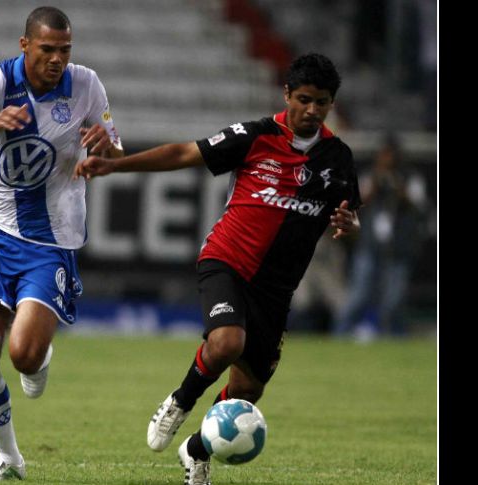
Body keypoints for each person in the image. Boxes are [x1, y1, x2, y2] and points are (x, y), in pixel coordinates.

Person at [75, 53, 360, 485]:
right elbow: (184, 152)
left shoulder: (339, 159)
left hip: (277, 290)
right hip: (227, 259)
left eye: (322, 102)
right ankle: (181, 399)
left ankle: (196, 449)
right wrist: (117, 164)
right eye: (304, 99)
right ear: (286, 94)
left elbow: (350, 221)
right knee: (226, 342)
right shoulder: (256, 136)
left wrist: (350, 226)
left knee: (248, 393)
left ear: (331, 103)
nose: (312, 110)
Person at [0, 6, 123, 481]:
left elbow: (117, 149)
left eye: (65, 50)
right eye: (47, 49)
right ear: (25, 45)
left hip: (52, 240)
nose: (57, 59)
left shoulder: (86, 85)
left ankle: (38, 352)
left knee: (22, 355)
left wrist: (106, 145)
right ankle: (9, 457)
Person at [333, 136, 427, 339]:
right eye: (384, 155)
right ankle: (340, 335)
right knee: (359, 295)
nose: (388, 160)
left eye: (391, 155)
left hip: (399, 247)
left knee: (393, 299)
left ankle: (392, 338)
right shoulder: (369, 176)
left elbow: (419, 208)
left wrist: (399, 189)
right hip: (369, 245)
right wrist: (376, 185)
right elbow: (355, 203)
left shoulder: (410, 178)